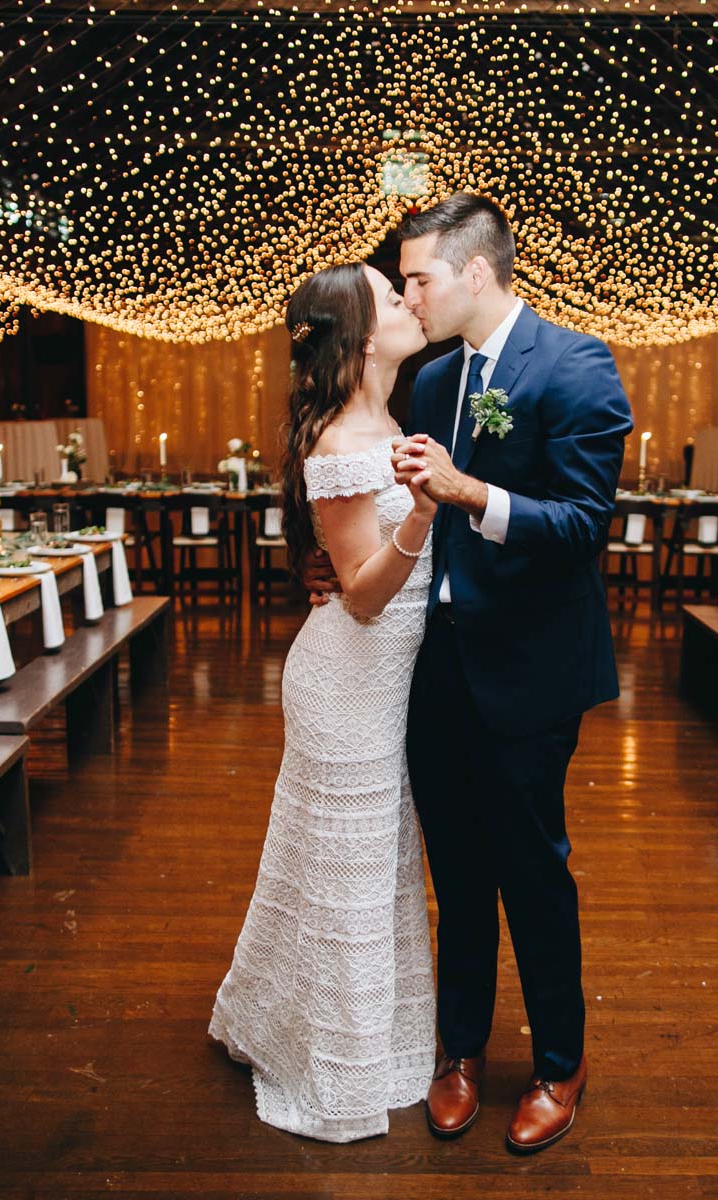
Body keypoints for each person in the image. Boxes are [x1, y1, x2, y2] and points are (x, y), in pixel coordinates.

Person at [310, 193, 633, 1153]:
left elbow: (582, 526)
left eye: (419, 278)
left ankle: (558, 1063)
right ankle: (457, 1051)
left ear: (475, 273)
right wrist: (335, 577)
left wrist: (472, 492)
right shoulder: (438, 376)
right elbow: (371, 493)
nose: (409, 294)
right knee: (454, 866)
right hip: (433, 664)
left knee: (533, 869)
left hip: (531, 667)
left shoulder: (578, 365)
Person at [209, 262, 437, 1142]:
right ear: (363, 336)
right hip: (347, 680)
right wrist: (421, 512)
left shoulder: (391, 418)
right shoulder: (343, 441)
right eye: (391, 297)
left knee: (372, 866)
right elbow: (362, 591)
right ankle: (329, 1057)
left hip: (387, 682)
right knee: (342, 869)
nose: (409, 302)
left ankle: (360, 1035)